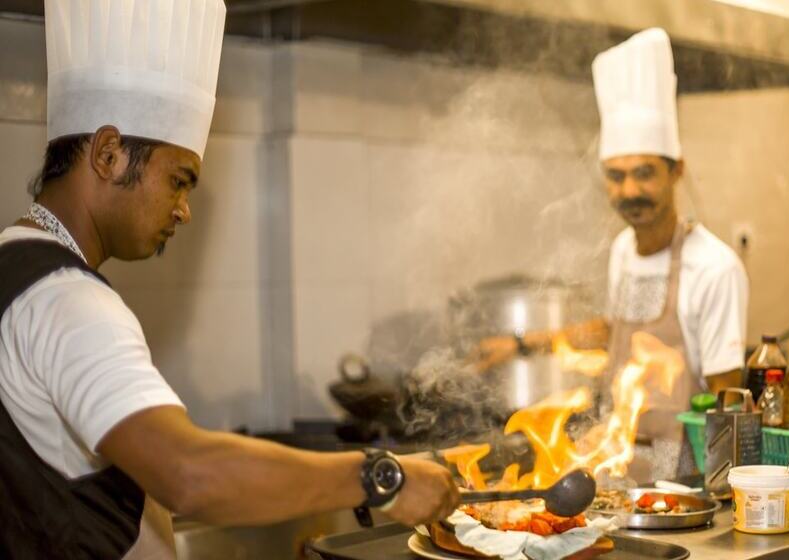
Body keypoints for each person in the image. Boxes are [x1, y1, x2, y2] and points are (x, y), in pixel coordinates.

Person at [0, 2, 458, 559]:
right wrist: (383, 477)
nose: (184, 210)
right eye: (179, 180)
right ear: (108, 153)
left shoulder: (14, 264)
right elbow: (188, 473)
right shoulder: (72, 303)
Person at [479, 28, 749, 480]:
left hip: (684, 477)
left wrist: (718, 494)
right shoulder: (624, 249)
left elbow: (728, 399)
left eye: (644, 173)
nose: (629, 191)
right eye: (616, 176)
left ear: (675, 171)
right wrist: (521, 345)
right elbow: (615, 330)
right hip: (617, 463)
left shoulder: (715, 268)